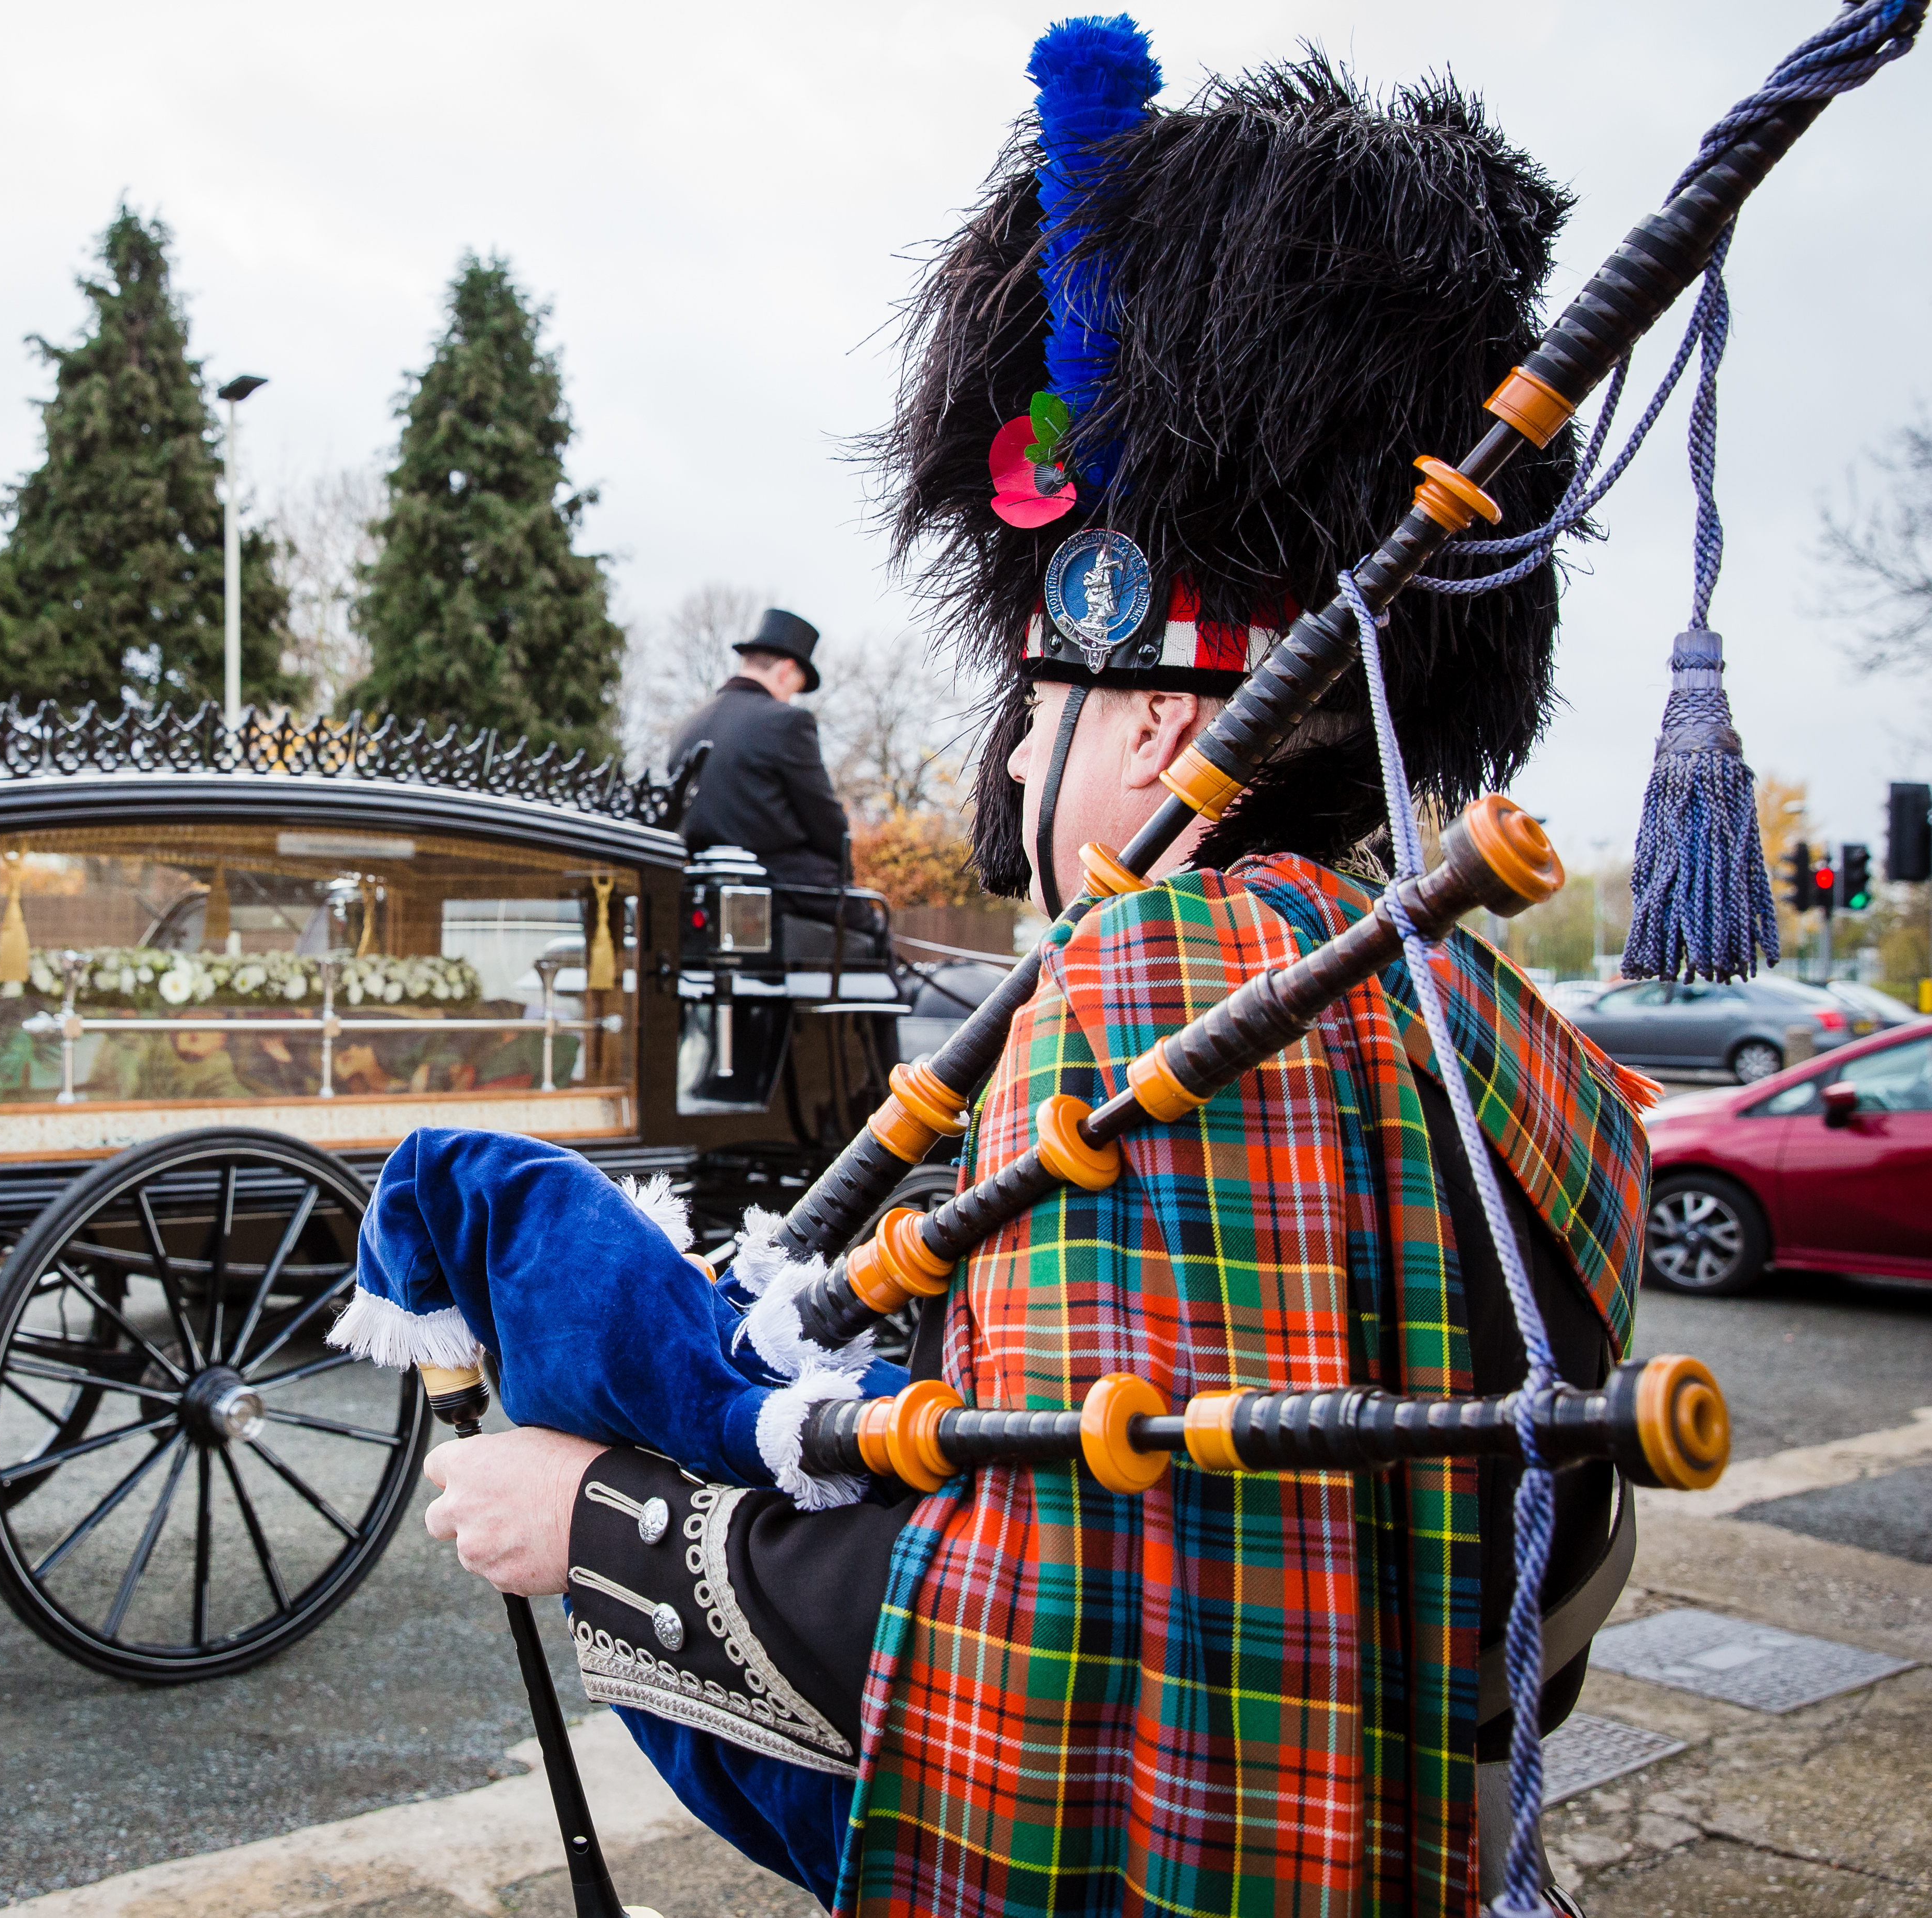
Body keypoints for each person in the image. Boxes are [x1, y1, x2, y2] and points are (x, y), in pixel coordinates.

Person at [341, 23, 1651, 1914]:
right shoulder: (1478, 1004)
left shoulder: (1169, 978)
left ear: (1144, 728)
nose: (1019, 770)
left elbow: (1109, 1635)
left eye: (1035, 716)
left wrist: (603, 1520)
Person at [667, 609, 850, 892]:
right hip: (772, 884)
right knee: (871, 921)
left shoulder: (687, 725)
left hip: (695, 881)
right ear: (785, 671)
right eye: (795, 689)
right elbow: (824, 821)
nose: (790, 699)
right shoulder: (787, 721)